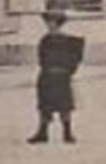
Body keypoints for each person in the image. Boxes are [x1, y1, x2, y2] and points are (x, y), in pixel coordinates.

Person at [28, 9, 84, 144]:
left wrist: (68, 70)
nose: (50, 25)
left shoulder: (68, 41)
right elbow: (41, 58)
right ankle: (43, 132)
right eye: (48, 22)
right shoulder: (45, 40)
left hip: (61, 77)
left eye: (53, 22)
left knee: (64, 105)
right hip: (47, 76)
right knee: (44, 105)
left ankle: (67, 132)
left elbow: (75, 58)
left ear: (59, 24)